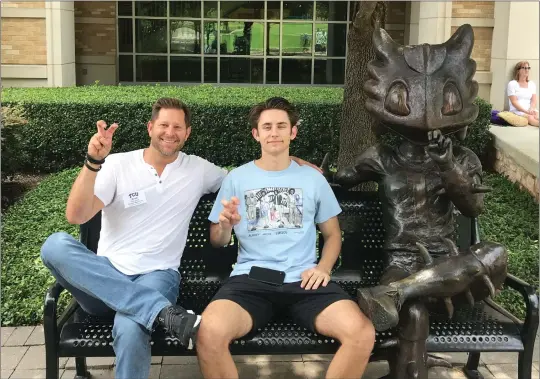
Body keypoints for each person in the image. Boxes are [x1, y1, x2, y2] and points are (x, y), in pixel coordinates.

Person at [40, 97, 317, 379]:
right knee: (55, 244)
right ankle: (163, 313)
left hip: (157, 276)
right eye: (163, 125)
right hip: (106, 277)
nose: (169, 133)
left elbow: (246, 177)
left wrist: (287, 160)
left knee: (131, 326)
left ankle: (153, 310)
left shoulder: (197, 169)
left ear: (187, 133)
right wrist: (93, 162)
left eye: (177, 127)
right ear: (150, 127)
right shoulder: (117, 164)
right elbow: (76, 215)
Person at [196, 97, 375, 379]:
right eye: (267, 127)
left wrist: (324, 268)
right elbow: (218, 241)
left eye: (281, 126)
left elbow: (333, 235)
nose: (274, 132)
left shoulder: (312, 179)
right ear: (256, 134)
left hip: (305, 280)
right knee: (207, 332)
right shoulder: (237, 178)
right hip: (250, 280)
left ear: (293, 132)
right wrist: (225, 225)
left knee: (361, 333)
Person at [507, 61, 539, 126]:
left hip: (530, 109)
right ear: (518, 71)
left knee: (537, 116)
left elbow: (534, 100)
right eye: (524, 68)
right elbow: (514, 102)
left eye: (528, 68)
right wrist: (526, 111)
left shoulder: (531, 84)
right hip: (517, 110)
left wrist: (531, 109)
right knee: (531, 117)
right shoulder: (512, 84)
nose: (527, 70)